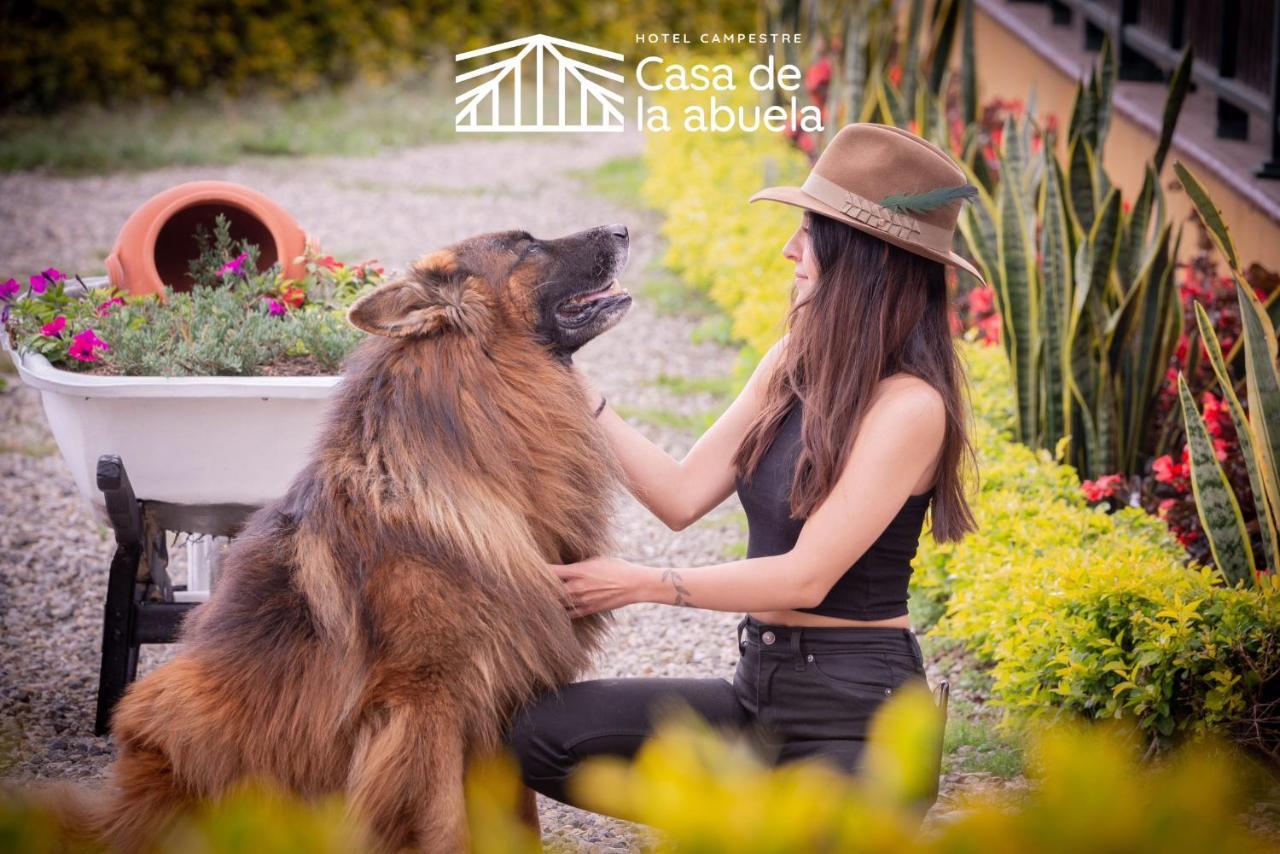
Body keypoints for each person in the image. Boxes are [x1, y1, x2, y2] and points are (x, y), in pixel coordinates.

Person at [503, 122, 985, 819]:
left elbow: (806, 576)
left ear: (861, 255)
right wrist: (569, 383)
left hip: (857, 719)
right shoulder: (793, 361)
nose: (791, 248)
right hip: (757, 691)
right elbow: (678, 494)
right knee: (533, 735)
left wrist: (643, 584)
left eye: (810, 230)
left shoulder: (911, 408)